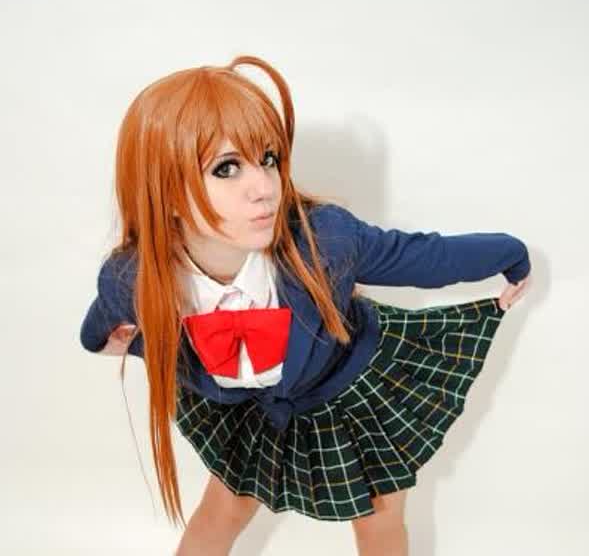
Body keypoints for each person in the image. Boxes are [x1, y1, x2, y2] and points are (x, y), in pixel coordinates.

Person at [79, 54, 531, 556]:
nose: (264, 187)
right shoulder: (131, 276)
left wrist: (508, 253)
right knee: (222, 511)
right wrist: (129, 344)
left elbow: (419, 256)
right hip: (255, 408)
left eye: (269, 159)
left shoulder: (326, 239)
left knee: (379, 517)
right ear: (165, 192)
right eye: (227, 168)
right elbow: (101, 329)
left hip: (347, 386)